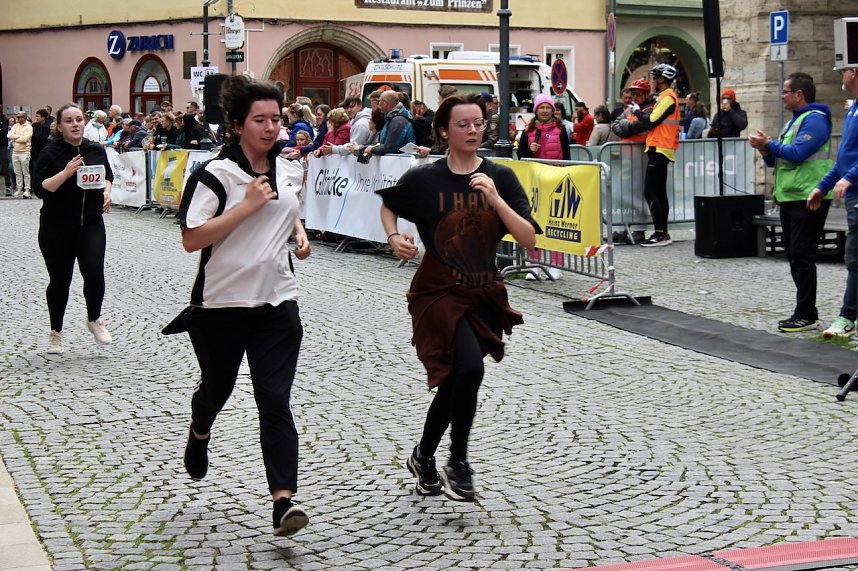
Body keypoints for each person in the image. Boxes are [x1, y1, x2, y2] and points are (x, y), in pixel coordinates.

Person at [376, 93, 540, 502]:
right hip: (439, 288)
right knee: (469, 370)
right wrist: (395, 237)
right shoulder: (424, 179)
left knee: (457, 377)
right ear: (443, 131)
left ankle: (423, 455)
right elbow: (387, 205)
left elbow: (529, 239)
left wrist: (496, 200)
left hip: (483, 287)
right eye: (463, 124)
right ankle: (459, 461)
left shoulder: (500, 176)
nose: (472, 130)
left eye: (479, 123)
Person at [176, 74, 311, 537]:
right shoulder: (215, 175)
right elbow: (192, 239)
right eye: (261, 120)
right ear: (237, 124)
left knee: (274, 400)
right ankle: (200, 432)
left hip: (277, 303)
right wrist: (246, 208)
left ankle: (283, 502)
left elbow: (290, 213)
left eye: (277, 118)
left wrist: (299, 234)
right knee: (217, 389)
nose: (272, 127)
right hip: (221, 306)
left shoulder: (290, 168)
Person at [749, 72, 833, 333]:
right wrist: (765, 149)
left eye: (785, 91)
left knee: (802, 255)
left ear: (799, 94)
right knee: (794, 255)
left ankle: (807, 313)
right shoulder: (794, 122)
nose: (781, 96)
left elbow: (798, 154)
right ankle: (804, 310)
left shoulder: (816, 121)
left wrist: (769, 143)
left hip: (809, 197)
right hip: (791, 196)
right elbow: (777, 160)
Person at [32, 103, 114, 354]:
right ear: (59, 126)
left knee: (94, 271)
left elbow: (108, 175)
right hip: (56, 225)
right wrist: (66, 173)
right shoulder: (50, 152)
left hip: (90, 222)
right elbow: (40, 188)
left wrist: (108, 191)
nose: (75, 124)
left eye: (79, 119)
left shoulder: (95, 149)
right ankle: (56, 332)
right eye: (69, 121)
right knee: (60, 280)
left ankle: (94, 319)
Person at [813, 66, 858, 338]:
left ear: (853, 73)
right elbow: (845, 157)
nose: (840, 75)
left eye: (842, 70)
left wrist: (849, 178)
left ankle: (847, 316)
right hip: (853, 193)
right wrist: (823, 186)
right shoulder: (853, 110)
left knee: (854, 256)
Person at [637, 63, 681, 247]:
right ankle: (662, 233)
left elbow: (652, 120)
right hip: (660, 148)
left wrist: (636, 113)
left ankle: (659, 233)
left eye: (656, 77)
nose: (654, 81)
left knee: (650, 191)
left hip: (660, 149)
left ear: (663, 79)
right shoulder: (664, 97)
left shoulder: (668, 98)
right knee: (660, 192)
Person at [516, 94, 571, 161]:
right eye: (542, 108)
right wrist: (529, 150)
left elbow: (567, 156)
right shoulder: (528, 130)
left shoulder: (561, 129)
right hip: (535, 170)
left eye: (548, 108)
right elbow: (520, 156)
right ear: (536, 111)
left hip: (556, 170)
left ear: (552, 111)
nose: (545, 111)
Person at [362, 90, 416, 158]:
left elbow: (389, 148)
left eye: (380, 102)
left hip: (400, 164)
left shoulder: (398, 121)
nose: (379, 105)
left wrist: (371, 149)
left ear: (386, 103)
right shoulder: (391, 119)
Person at [9, 111, 33, 198]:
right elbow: (9, 135)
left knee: (25, 172)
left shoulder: (29, 127)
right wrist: (19, 137)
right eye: (18, 117)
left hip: (25, 152)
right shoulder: (15, 126)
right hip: (15, 151)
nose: (18, 119)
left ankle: (27, 190)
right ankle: (19, 189)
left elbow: (25, 139)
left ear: (25, 117)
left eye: (20, 117)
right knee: (17, 172)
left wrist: (15, 138)